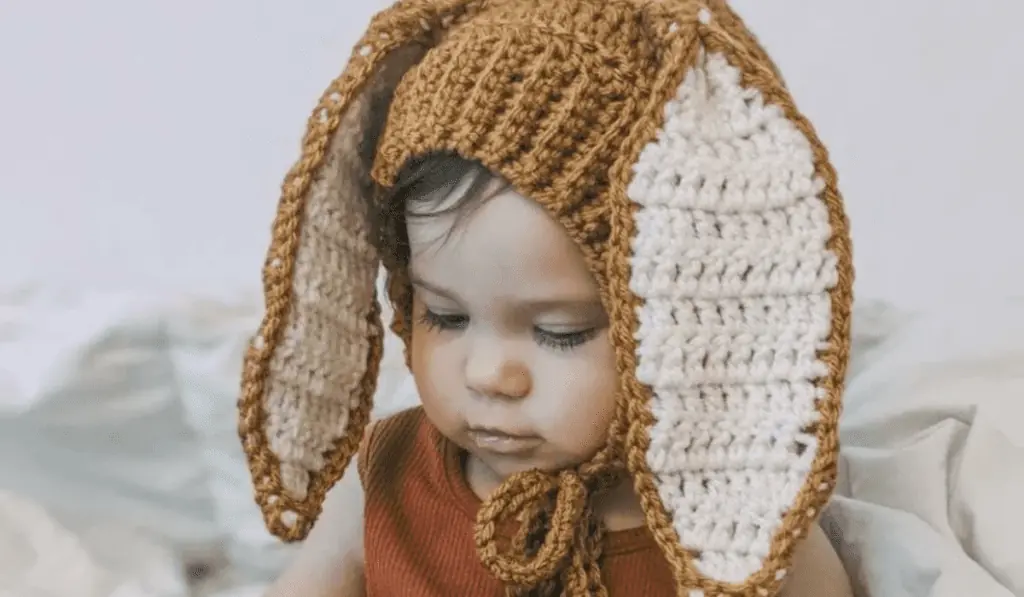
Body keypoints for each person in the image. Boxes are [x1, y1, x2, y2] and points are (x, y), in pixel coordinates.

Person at [238, 1, 857, 596]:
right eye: (445, 316)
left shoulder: (740, 527)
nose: (489, 375)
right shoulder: (385, 477)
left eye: (560, 331)